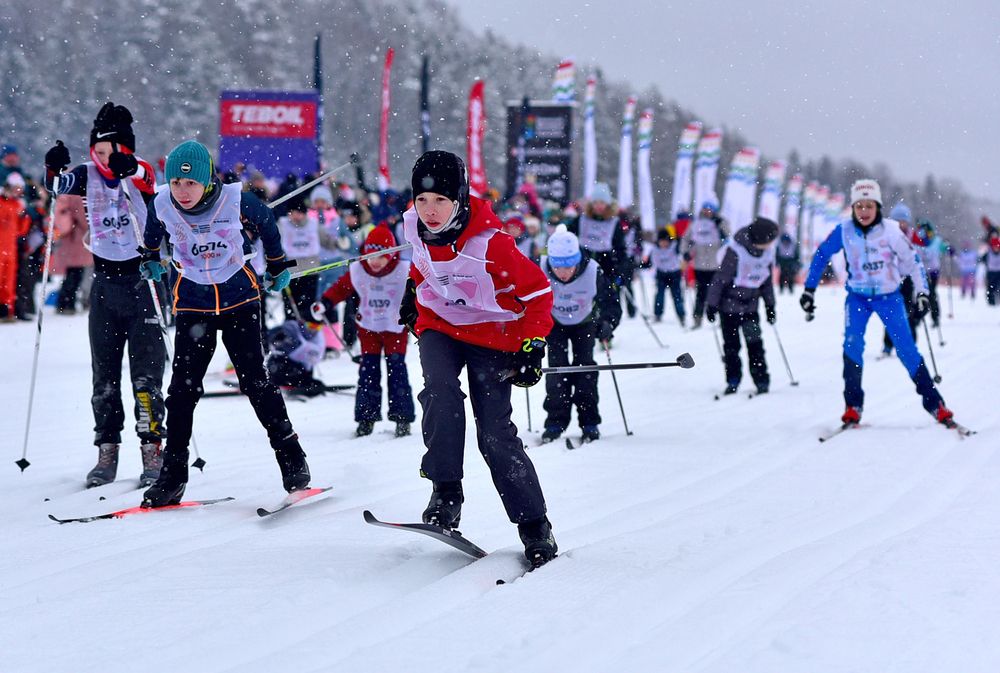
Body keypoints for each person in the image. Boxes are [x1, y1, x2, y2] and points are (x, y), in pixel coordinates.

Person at [399, 150, 558, 568]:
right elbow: (424, 269)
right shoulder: (413, 228)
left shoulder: (494, 245)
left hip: (496, 336)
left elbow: (540, 296)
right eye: (422, 200)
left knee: (494, 434)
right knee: (441, 393)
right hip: (440, 328)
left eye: (441, 201)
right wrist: (411, 295)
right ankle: (446, 493)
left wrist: (533, 345)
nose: (429, 212)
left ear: (460, 199)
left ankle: (534, 524)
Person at [138, 139, 311, 507]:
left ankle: (292, 457)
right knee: (182, 393)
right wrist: (151, 257)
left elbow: (266, 220)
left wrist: (278, 264)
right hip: (193, 302)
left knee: (255, 382)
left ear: (207, 181)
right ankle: (172, 477)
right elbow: (152, 228)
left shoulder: (236, 201)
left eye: (190, 183)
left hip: (239, 298)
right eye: (177, 183)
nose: (183, 191)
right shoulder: (163, 202)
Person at [43, 102, 167, 487]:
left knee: (146, 378)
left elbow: (146, 177)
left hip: (142, 282)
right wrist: (53, 169)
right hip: (105, 287)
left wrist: (129, 166)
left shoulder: (140, 171)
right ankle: (107, 450)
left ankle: (152, 449)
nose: (102, 158)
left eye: (110, 151)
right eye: (97, 151)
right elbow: (57, 187)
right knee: (105, 378)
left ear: (125, 149)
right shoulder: (87, 175)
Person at [799, 179, 956, 426]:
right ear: (852, 207)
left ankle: (935, 404)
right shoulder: (844, 230)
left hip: (889, 297)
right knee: (852, 345)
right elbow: (821, 254)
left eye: (869, 206)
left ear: (878, 207)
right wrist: (809, 289)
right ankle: (853, 405)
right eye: (859, 206)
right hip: (858, 298)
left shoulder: (892, 231)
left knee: (906, 349)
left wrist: (922, 292)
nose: (863, 212)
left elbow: (913, 263)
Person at [318, 224, 415, 438]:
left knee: (397, 371)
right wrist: (324, 303)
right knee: (368, 372)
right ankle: (366, 418)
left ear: (390, 255)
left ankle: (402, 418)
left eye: (380, 256)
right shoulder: (358, 269)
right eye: (371, 256)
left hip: (395, 328)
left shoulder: (404, 269)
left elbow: (421, 288)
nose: (375, 261)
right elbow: (340, 289)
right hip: (369, 327)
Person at [539, 224, 621, 443]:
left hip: (584, 323)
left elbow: (611, 302)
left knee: (585, 369)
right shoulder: (539, 268)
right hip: (554, 324)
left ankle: (589, 422)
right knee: (556, 372)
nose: (563, 273)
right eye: (557, 267)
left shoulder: (594, 270)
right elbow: (525, 299)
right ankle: (555, 422)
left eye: (568, 266)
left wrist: (607, 323)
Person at [705, 217, 778, 395]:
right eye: (769, 240)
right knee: (731, 348)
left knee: (755, 346)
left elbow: (766, 282)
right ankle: (733, 380)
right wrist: (712, 305)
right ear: (760, 239)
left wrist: (770, 306)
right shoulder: (735, 252)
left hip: (750, 308)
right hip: (728, 309)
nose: (771, 244)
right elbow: (720, 280)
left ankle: (761, 380)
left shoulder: (767, 253)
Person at [566, 182, 627, 287]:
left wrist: (620, 270)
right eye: (596, 202)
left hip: (606, 263)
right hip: (583, 261)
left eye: (602, 202)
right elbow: (568, 235)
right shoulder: (582, 219)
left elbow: (620, 247)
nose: (599, 206)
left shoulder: (614, 222)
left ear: (608, 204)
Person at [880, 202, 921, 356]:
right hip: (890, 278)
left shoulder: (912, 235)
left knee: (908, 312)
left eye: (903, 221)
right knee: (890, 312)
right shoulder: (887, 234)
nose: (901, 224)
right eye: (897, 221)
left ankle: (910, 344)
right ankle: (887, 345)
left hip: (907, 278)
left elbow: (923, 248)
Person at [682, 201, 728, 328]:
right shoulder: (696, 224)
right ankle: (698, 318)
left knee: (717, 292)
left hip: (716, 264)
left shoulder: (720, 222)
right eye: (705, 209)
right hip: (700, 264)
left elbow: (728, 237)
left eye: (709, 210)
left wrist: (721, 227)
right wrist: (685, 252)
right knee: (701, 293)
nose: (707, 212)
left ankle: (720, 318)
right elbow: (686, 239)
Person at [0, 173, 30, 321]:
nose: (18, 191)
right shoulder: (3, 202)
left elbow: (21, 231)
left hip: (10, 249)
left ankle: (6, 311)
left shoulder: (17, 205)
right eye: (16, 188)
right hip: (2, 248)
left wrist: (24, 216)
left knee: (8, 281)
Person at [647, 225, 686, 325]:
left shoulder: (675, 246)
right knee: (659, 295)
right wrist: (642, 264)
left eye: (666, 241)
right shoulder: (654, 249)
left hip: (674, 274)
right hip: (661, 274)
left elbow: (681, 245)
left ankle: (681, 315)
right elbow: (649, 262)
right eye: (661, 241)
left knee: (677, 296)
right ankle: (658, 314)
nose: (663, 244)